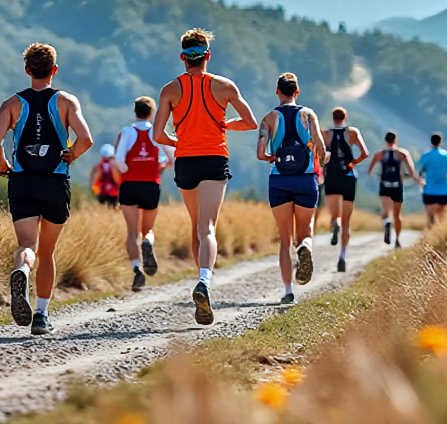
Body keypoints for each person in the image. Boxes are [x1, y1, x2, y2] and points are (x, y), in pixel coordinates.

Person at [153, 28, 257, 325]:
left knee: (196, 225)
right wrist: (225, 126)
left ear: (182, 58)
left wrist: (181, 141)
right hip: (214, 158)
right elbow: (250, 122)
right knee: (207, 228)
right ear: (207, 56)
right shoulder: (224, 86)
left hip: (186, 161)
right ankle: (205, 281)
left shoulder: (170, 90)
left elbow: (159, 134)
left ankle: (200, 280)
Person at [0, 43, 93, 336]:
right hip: (54, 181)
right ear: (54, 70)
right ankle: (41, 316)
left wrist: (3, 167)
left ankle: (22, 270)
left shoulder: (11, 104)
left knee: (26, 247)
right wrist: (71, 154)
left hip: (22, 181)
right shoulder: (67, 102)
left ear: (27, 70)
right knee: (47, 253)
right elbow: (86, 139)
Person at [257, 73, 327, 305]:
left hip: (279, 180)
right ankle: (305, 247)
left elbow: (260, 153)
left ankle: (288, 290)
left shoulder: (268, 118)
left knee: (285, 239)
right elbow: (320, 147)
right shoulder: (308, 115)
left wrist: (271, 156)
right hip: (305, 179)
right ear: (297, 92)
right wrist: (317, 162)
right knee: (304, 232)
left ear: (277, 91)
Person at [113, 96, 174, 292]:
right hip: (150, 184)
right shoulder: (157, 132)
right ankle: (148, 242)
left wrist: (126, 170)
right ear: (152, 112)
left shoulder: (127, 132)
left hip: (129, 184)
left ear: (135, 112)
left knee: (132, 232)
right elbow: (172, 156)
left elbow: (119, 160)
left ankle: (136, 269)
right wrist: (160, 165)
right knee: (147, 230)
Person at [322, 107, 369, 272]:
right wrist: (353, 162)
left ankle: (335, 223)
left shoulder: (326, 134)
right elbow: (365, 153)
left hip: (332, 175)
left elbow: (319, 153)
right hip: (348, 175)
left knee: (334, 214)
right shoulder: (353, 132)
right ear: (345, 117)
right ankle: (342, 256)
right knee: (347, 221)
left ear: (333, 117)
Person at [367, 130, 420, 248]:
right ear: (395, 140)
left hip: (384, 185)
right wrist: (416, 180)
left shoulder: (379, 154)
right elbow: (411, 172)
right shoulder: (403, 153)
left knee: (386, 212)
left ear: (386, 141)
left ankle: (387, 222)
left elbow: (370, 170)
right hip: (397, 185)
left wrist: (377, 175)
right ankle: (397, 239)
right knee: (397, 215)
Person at [417, 133, 447, 229]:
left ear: (431, 141)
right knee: (442, 218)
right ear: (441, 141)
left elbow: (420, 171)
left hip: (429, 190)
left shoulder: (426, 156)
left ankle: (430, 239)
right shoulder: (446, 155)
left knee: (430, 218)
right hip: (444, 191)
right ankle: (438, 237)